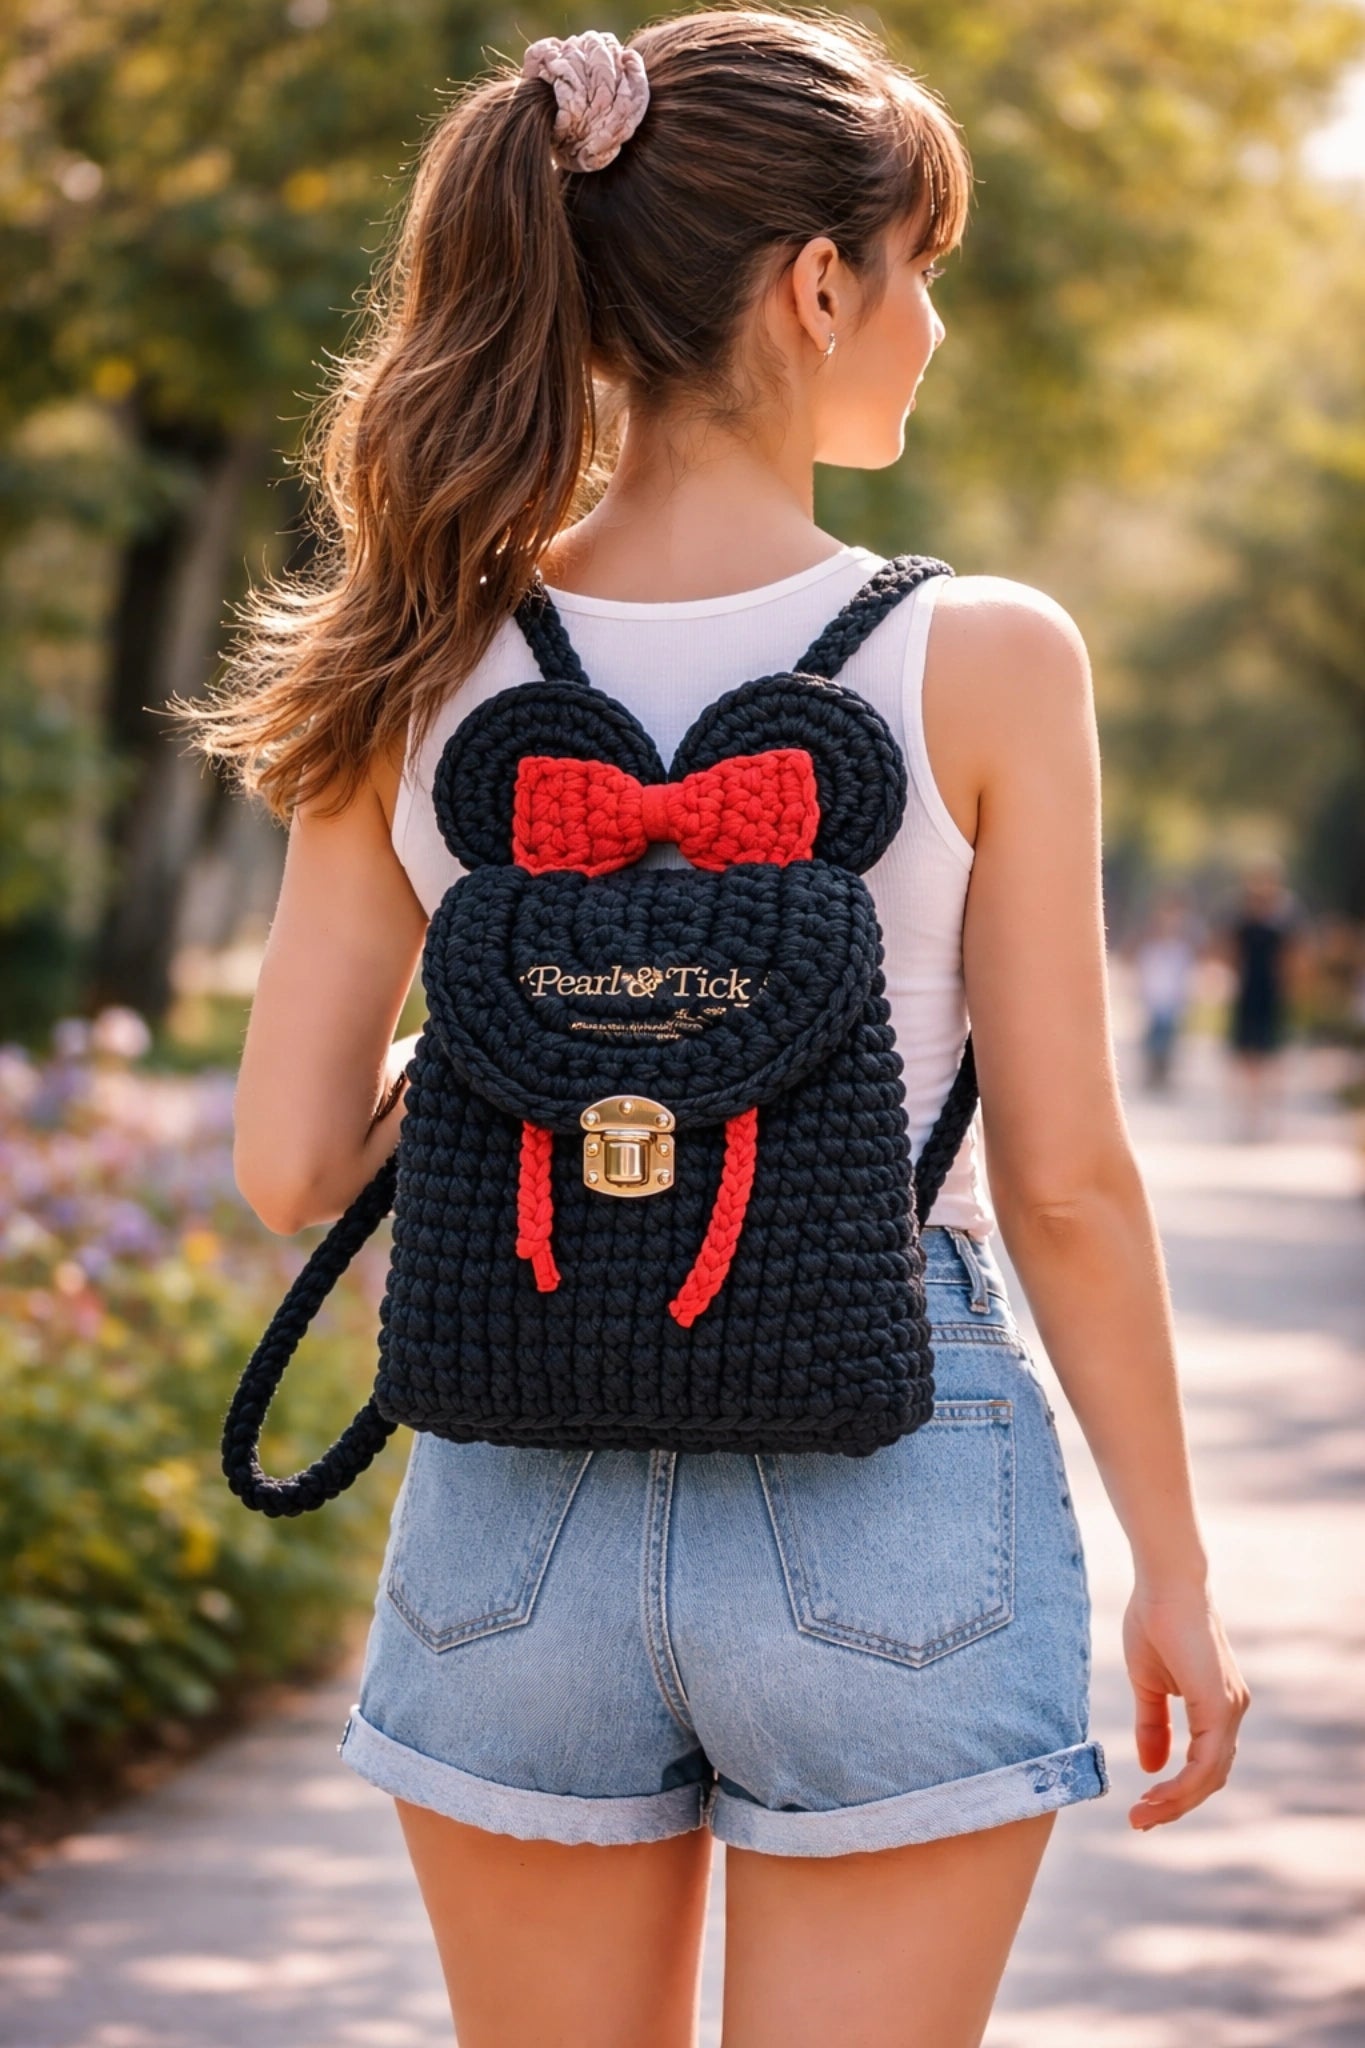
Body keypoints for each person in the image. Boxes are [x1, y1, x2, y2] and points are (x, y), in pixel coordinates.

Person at [181, 13, 1249, 2044]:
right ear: (816, 281)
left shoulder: (411, 655)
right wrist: (1171, 1566)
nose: (929, 324)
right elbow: (1062, 1180)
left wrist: (559, 1036)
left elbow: (288, 1167)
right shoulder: (987, 656)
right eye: (919, 268)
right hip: (891, 1471)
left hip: (516, 1484)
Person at [1220, 860, 1305, 1141]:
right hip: (1248, 993)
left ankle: (1271, 1117)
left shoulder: (1284, 919)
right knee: (1247, 1060)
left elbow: (1293, 959)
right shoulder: (1241, 919)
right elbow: (1229, 955)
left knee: (1272, 1058)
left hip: (1272, 995)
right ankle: (1251, 1116)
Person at [1132, 885, 1202, 1092]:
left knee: (1170, 1037)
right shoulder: (1148, 933)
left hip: (1174, 994)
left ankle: (1164, 1074)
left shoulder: (1188, 937)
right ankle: (1151, 1072)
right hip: (1153, 992)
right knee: (1152, 1035)